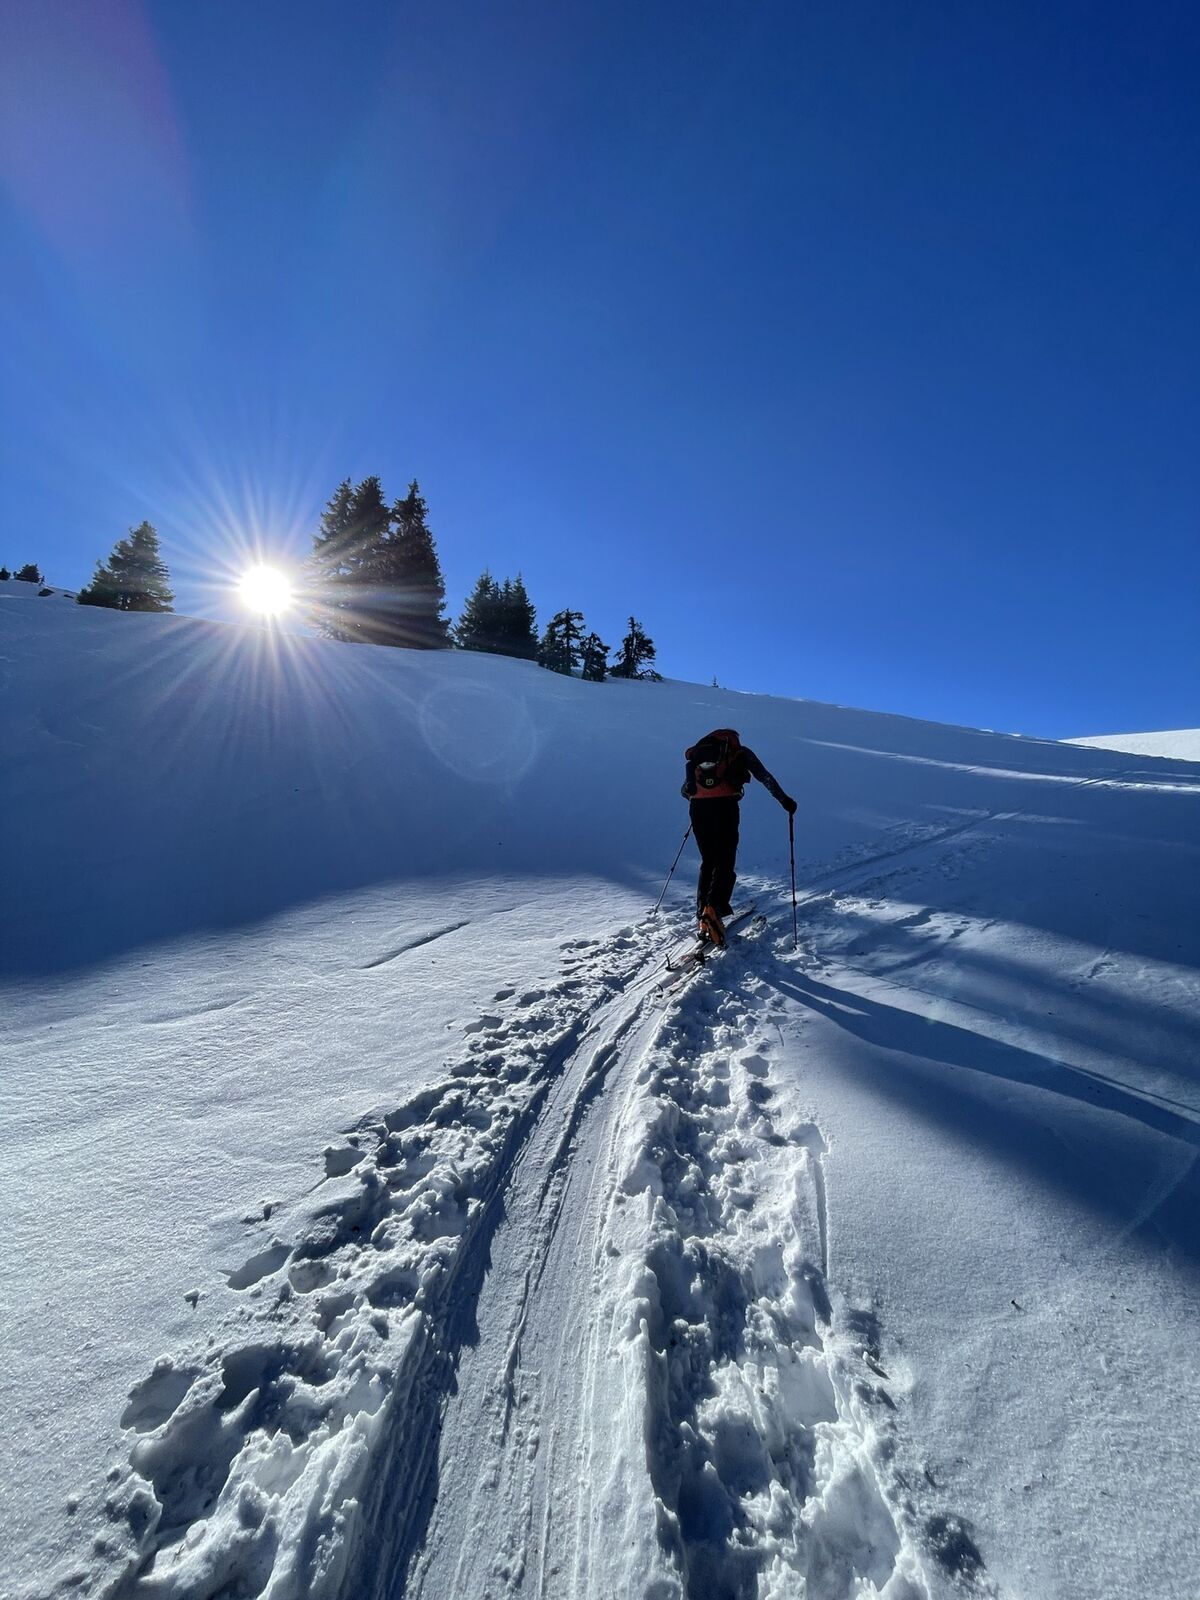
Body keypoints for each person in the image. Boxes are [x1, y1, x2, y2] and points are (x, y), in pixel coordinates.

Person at [681, 728, 796, 945]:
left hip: (698, 809)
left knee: (708, 861)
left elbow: (685, 790)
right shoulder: (739, 752)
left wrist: (702, 797)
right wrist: (785, 800)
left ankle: (702, 916)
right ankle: (713, 911)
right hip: (725, 807)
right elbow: (764, 777)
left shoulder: (699, 753)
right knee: (725, 859)